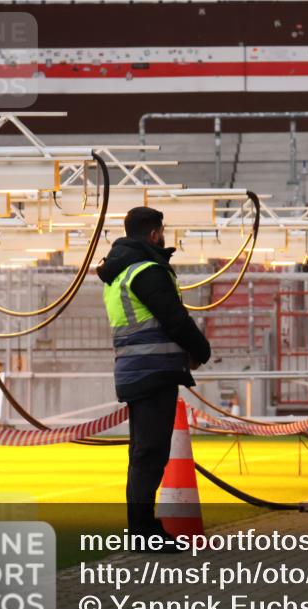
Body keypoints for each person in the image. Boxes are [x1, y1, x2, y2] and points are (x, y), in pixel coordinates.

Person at [98, 207, 211, 544]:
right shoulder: (147, 271)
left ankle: (142, 529)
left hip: (136, 370)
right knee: (150, 454)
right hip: (154, 371)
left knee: (143, 453)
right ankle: (143, 532)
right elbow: (174, 319)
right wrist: (200, 350)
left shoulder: (118, 273)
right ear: (154, 234)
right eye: (162, 232)